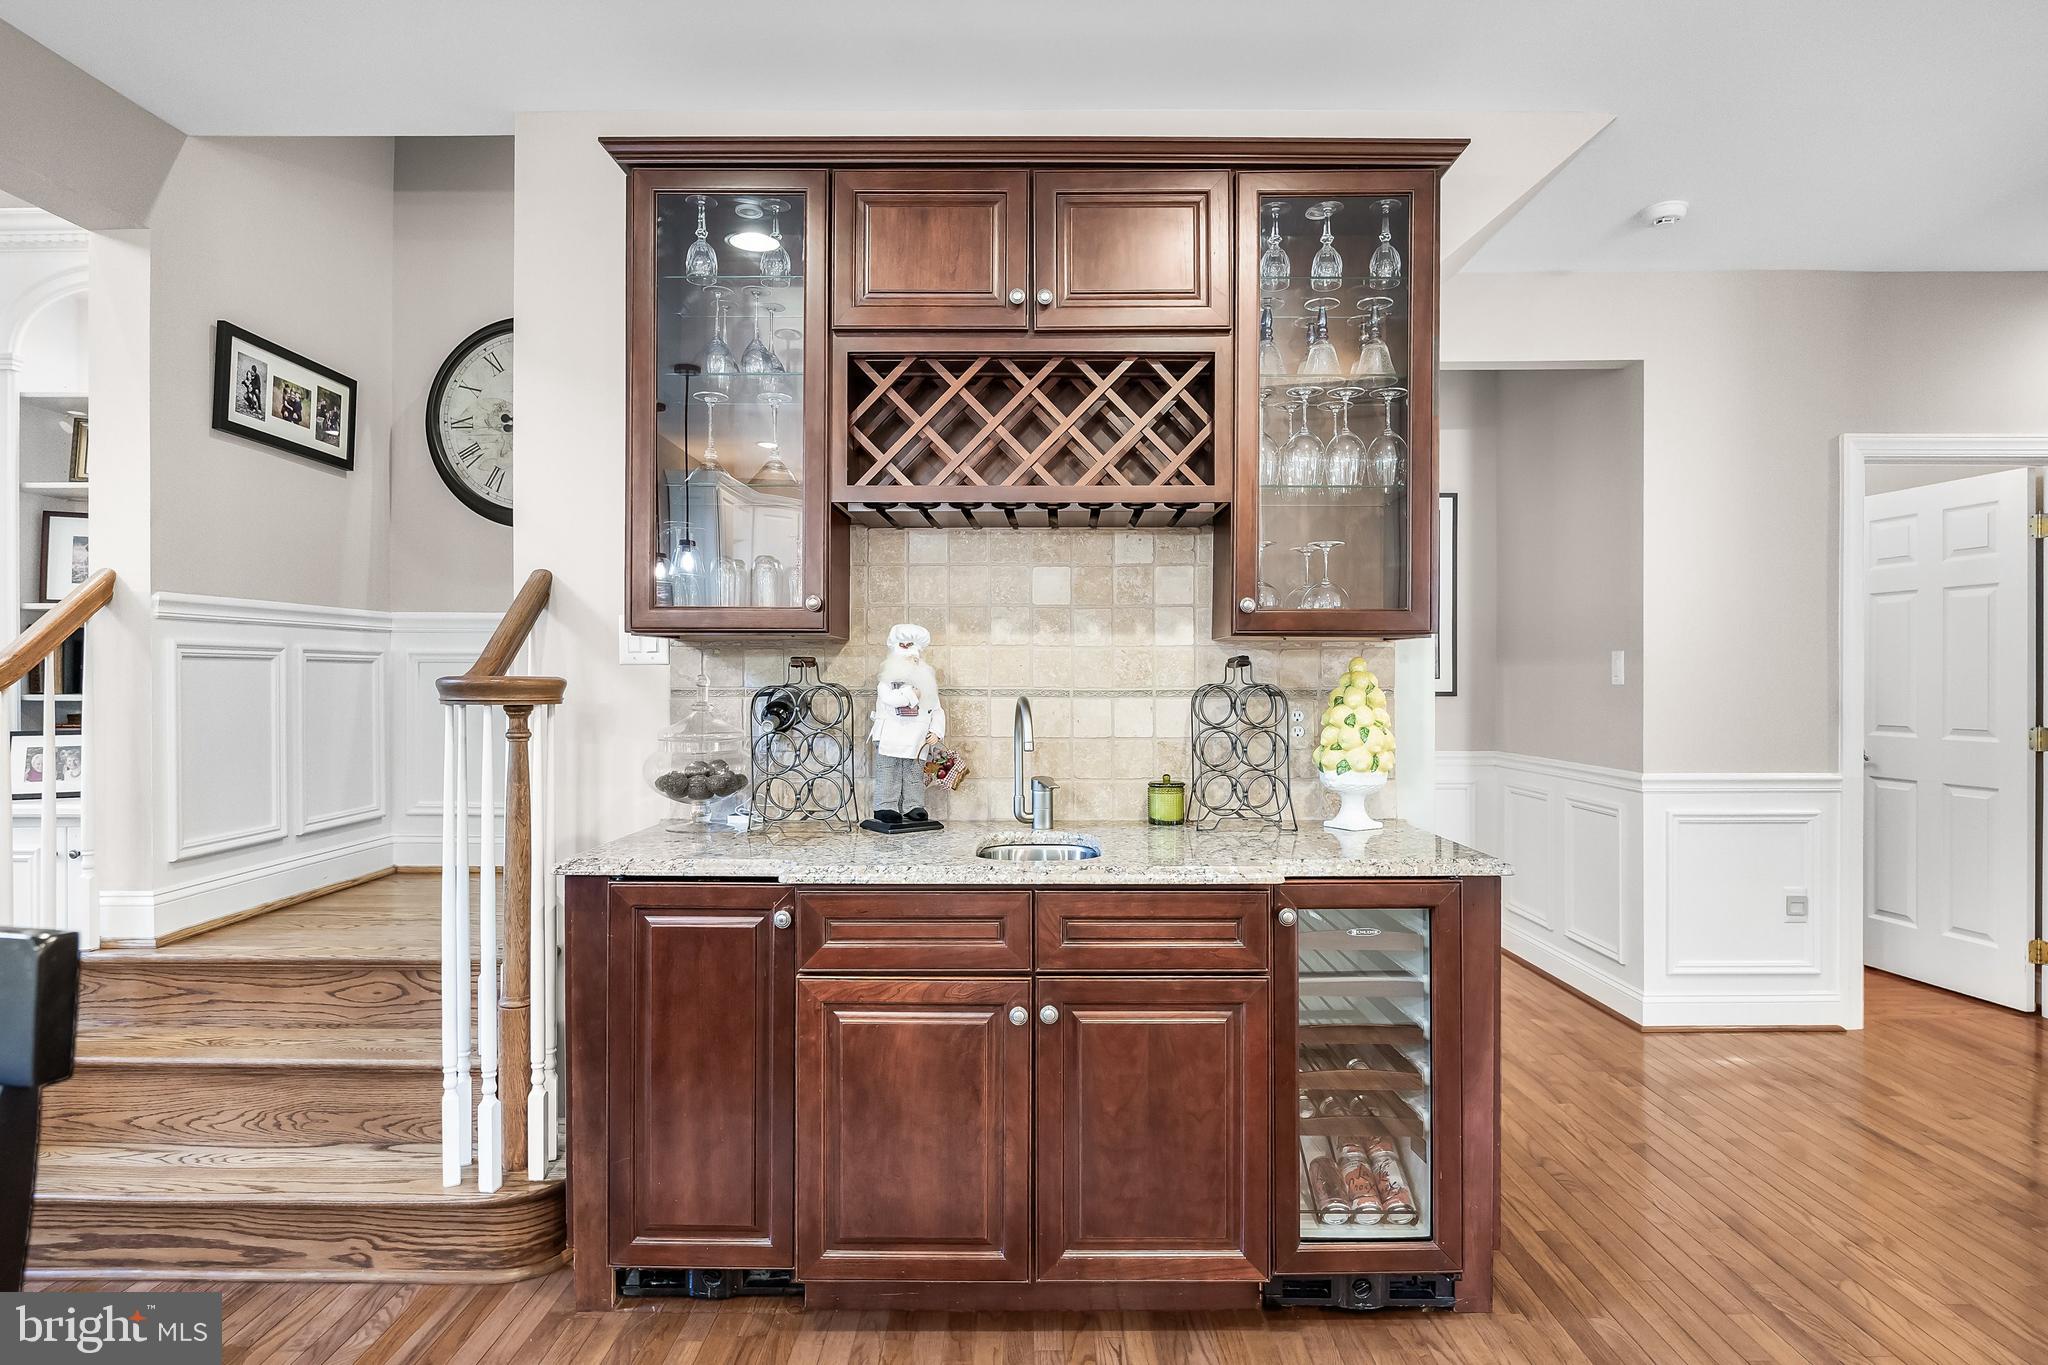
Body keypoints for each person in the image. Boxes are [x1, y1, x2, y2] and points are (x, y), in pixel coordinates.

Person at [867, 622, 944, 828]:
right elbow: (890, 699)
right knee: (888, 772)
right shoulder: (886, 682)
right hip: (890, 736)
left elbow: (936, 709)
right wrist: (912, 694)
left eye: (913, 647)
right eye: (904, 646)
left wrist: (936, 730)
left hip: (917, 738)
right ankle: (885, 806)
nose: (910, 655)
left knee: (914, 774)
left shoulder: (927, 682)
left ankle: (913, 806)